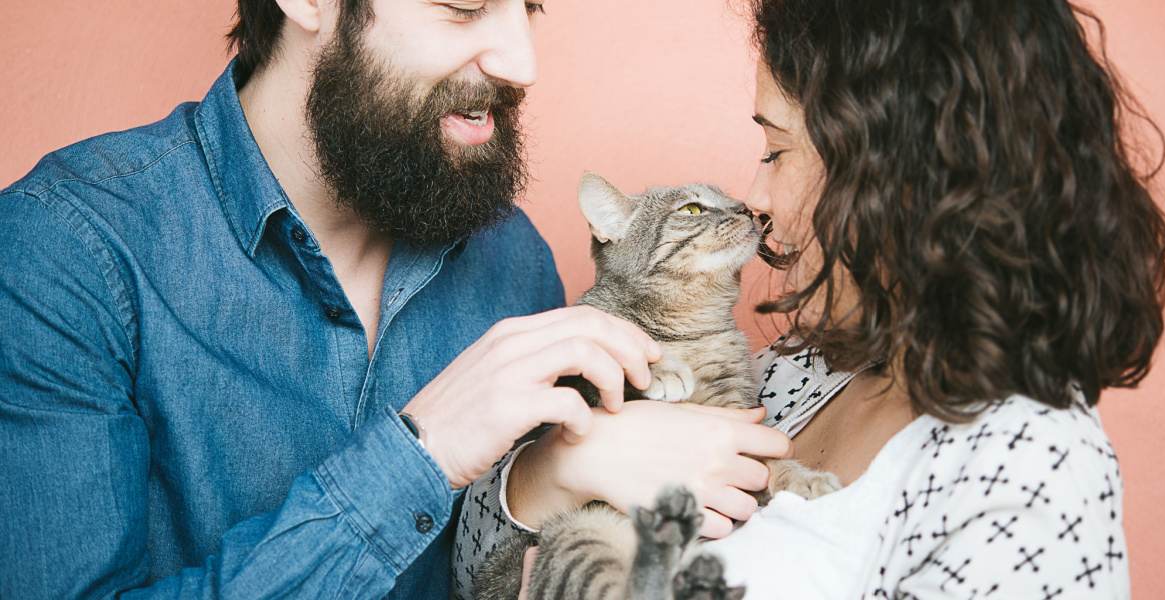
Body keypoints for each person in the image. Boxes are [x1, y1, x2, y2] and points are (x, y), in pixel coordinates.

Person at [0, 1, 787, 597]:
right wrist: (421, 455)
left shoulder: (514, 259)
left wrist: (546, 483)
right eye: (463, 3)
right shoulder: (65, 251)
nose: (522, 60)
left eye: (530, 8)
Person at [456, 1, 1165, 598]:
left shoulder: (1029, 467)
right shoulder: (810, 364)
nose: (755, 201)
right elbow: (467, 566)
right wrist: (560, 468)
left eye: (775, 152)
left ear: (897, 169)